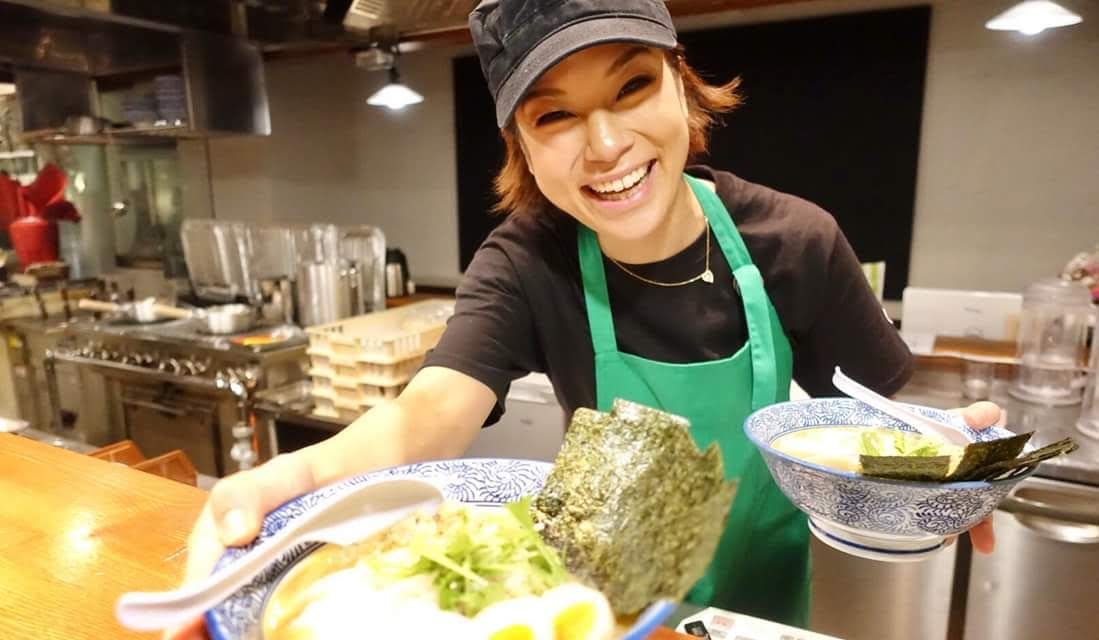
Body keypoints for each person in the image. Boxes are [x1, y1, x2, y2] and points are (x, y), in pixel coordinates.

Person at [164, 1, 1000, 637]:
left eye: (632, 85)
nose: (603, 144)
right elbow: (425, 415)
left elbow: (883, 417)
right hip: (591, 611)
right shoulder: (526, 260)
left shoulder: (795, 240)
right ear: (519, 144)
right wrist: (294, 481)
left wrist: (939, 457)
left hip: (756, 611)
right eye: (553, 114)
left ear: (681, 83)